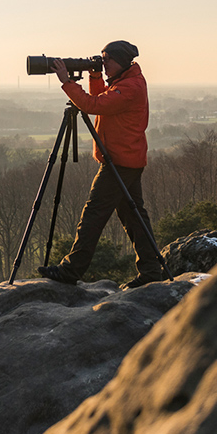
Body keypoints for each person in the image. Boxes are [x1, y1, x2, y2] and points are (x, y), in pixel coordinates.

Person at [37, 40, 164, 289]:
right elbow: (101, 100)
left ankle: (71, 270)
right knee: (134, 216)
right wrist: (96, 77)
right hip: (127, 159)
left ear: (122, 62)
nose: (103, 65)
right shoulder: (125, 82)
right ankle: (150, 271)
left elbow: (92, 106)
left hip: (120, 163)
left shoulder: (130, 87)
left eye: (107, 61)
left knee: (93, 214)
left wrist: (66, 81)